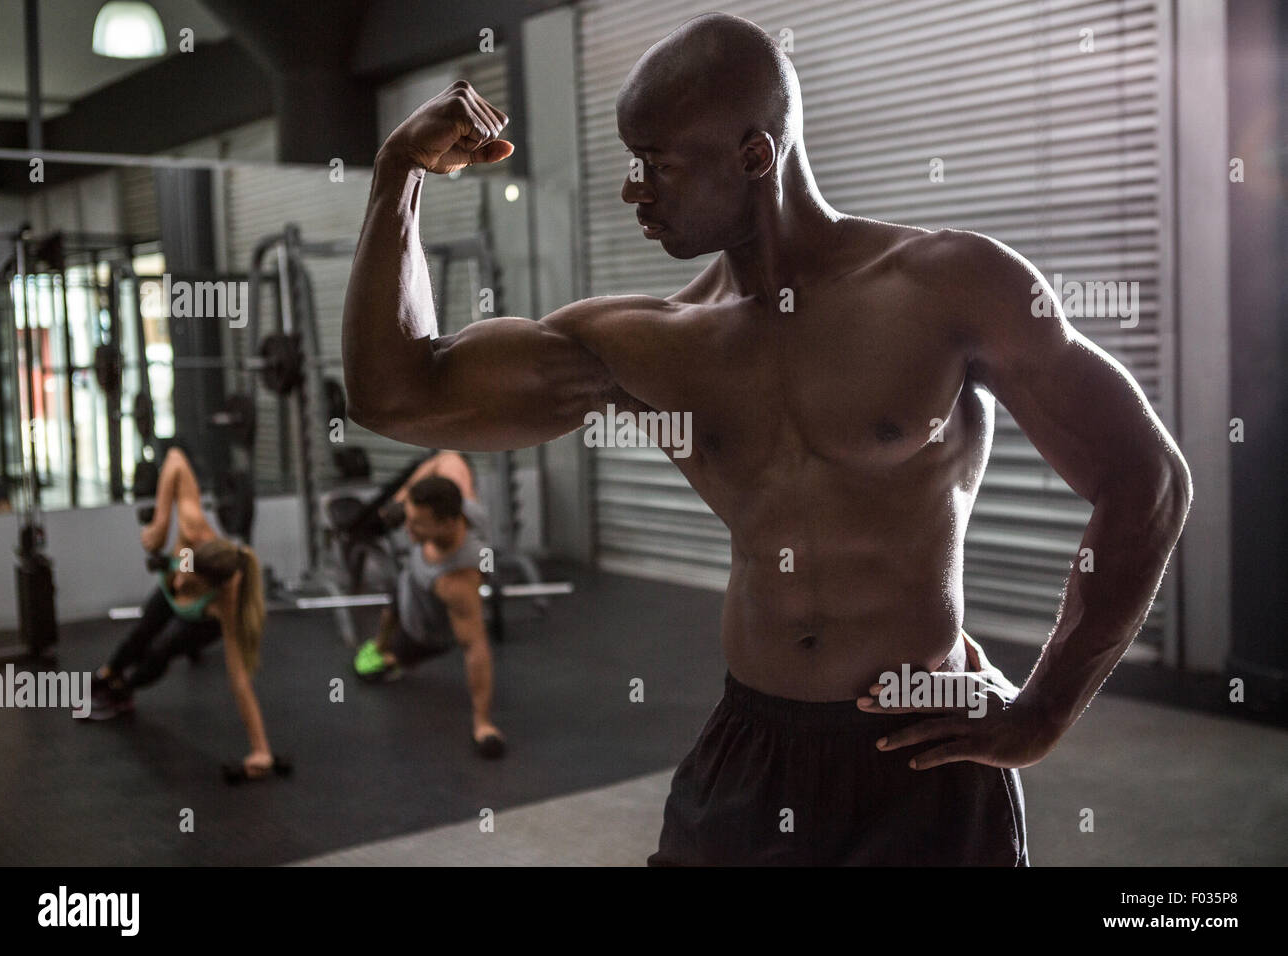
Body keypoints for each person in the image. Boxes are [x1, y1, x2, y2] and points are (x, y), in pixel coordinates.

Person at [341, 13, 1192, 864]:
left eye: (659, 165)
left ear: (755, 155)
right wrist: (398, 175)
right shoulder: (647, 344)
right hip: (755, 751)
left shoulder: (950, 288)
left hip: (925, 748)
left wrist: (1043, 711)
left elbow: (1144, 480)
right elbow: (399, 393)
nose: (634, 191)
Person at [84, 447, 277, 780]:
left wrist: (261, 751)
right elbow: (174, 458)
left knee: (162, 649)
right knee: (142, 631)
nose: (183, 579)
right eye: (187, 569)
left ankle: (124, 690)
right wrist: (160, 524)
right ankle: (108, 674)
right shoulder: (192, 527)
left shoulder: (227, 604)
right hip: (176, 595)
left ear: (212, 589)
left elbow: (240, 680)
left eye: (191, 581)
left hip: (200, 620)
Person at [354, 451, 505, 758]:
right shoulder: (458, 494)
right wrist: (401, 499)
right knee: (391, 604)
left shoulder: (457, 580)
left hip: (426, 630)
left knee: (390, 660)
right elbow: (447, 456)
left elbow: (476, 647)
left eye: (417, 525)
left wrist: (482, 724)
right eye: (408, 521)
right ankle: (380, 646)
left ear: (448, 523)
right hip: (413, 581)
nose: (407, 531)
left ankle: (392, 658)